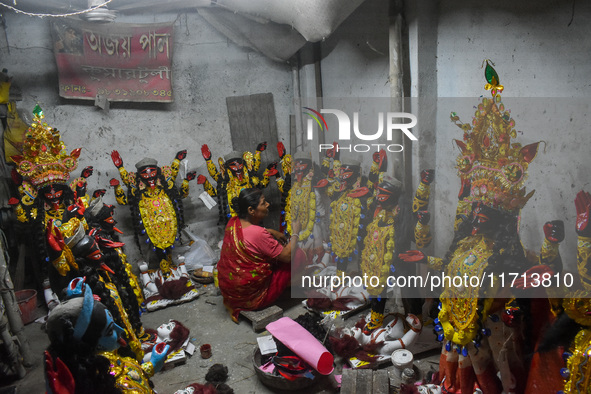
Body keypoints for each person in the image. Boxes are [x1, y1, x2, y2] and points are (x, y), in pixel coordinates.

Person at [217, 188, 300, 322]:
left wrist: (271, 231)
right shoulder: (258, 234)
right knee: (297, 257)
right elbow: (287, 256)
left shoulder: (233, 222)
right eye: (263, 203)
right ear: (251, 210)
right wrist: (296, 232)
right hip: (251, 298)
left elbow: (250, 235)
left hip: (231, 293)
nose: (268, 204)